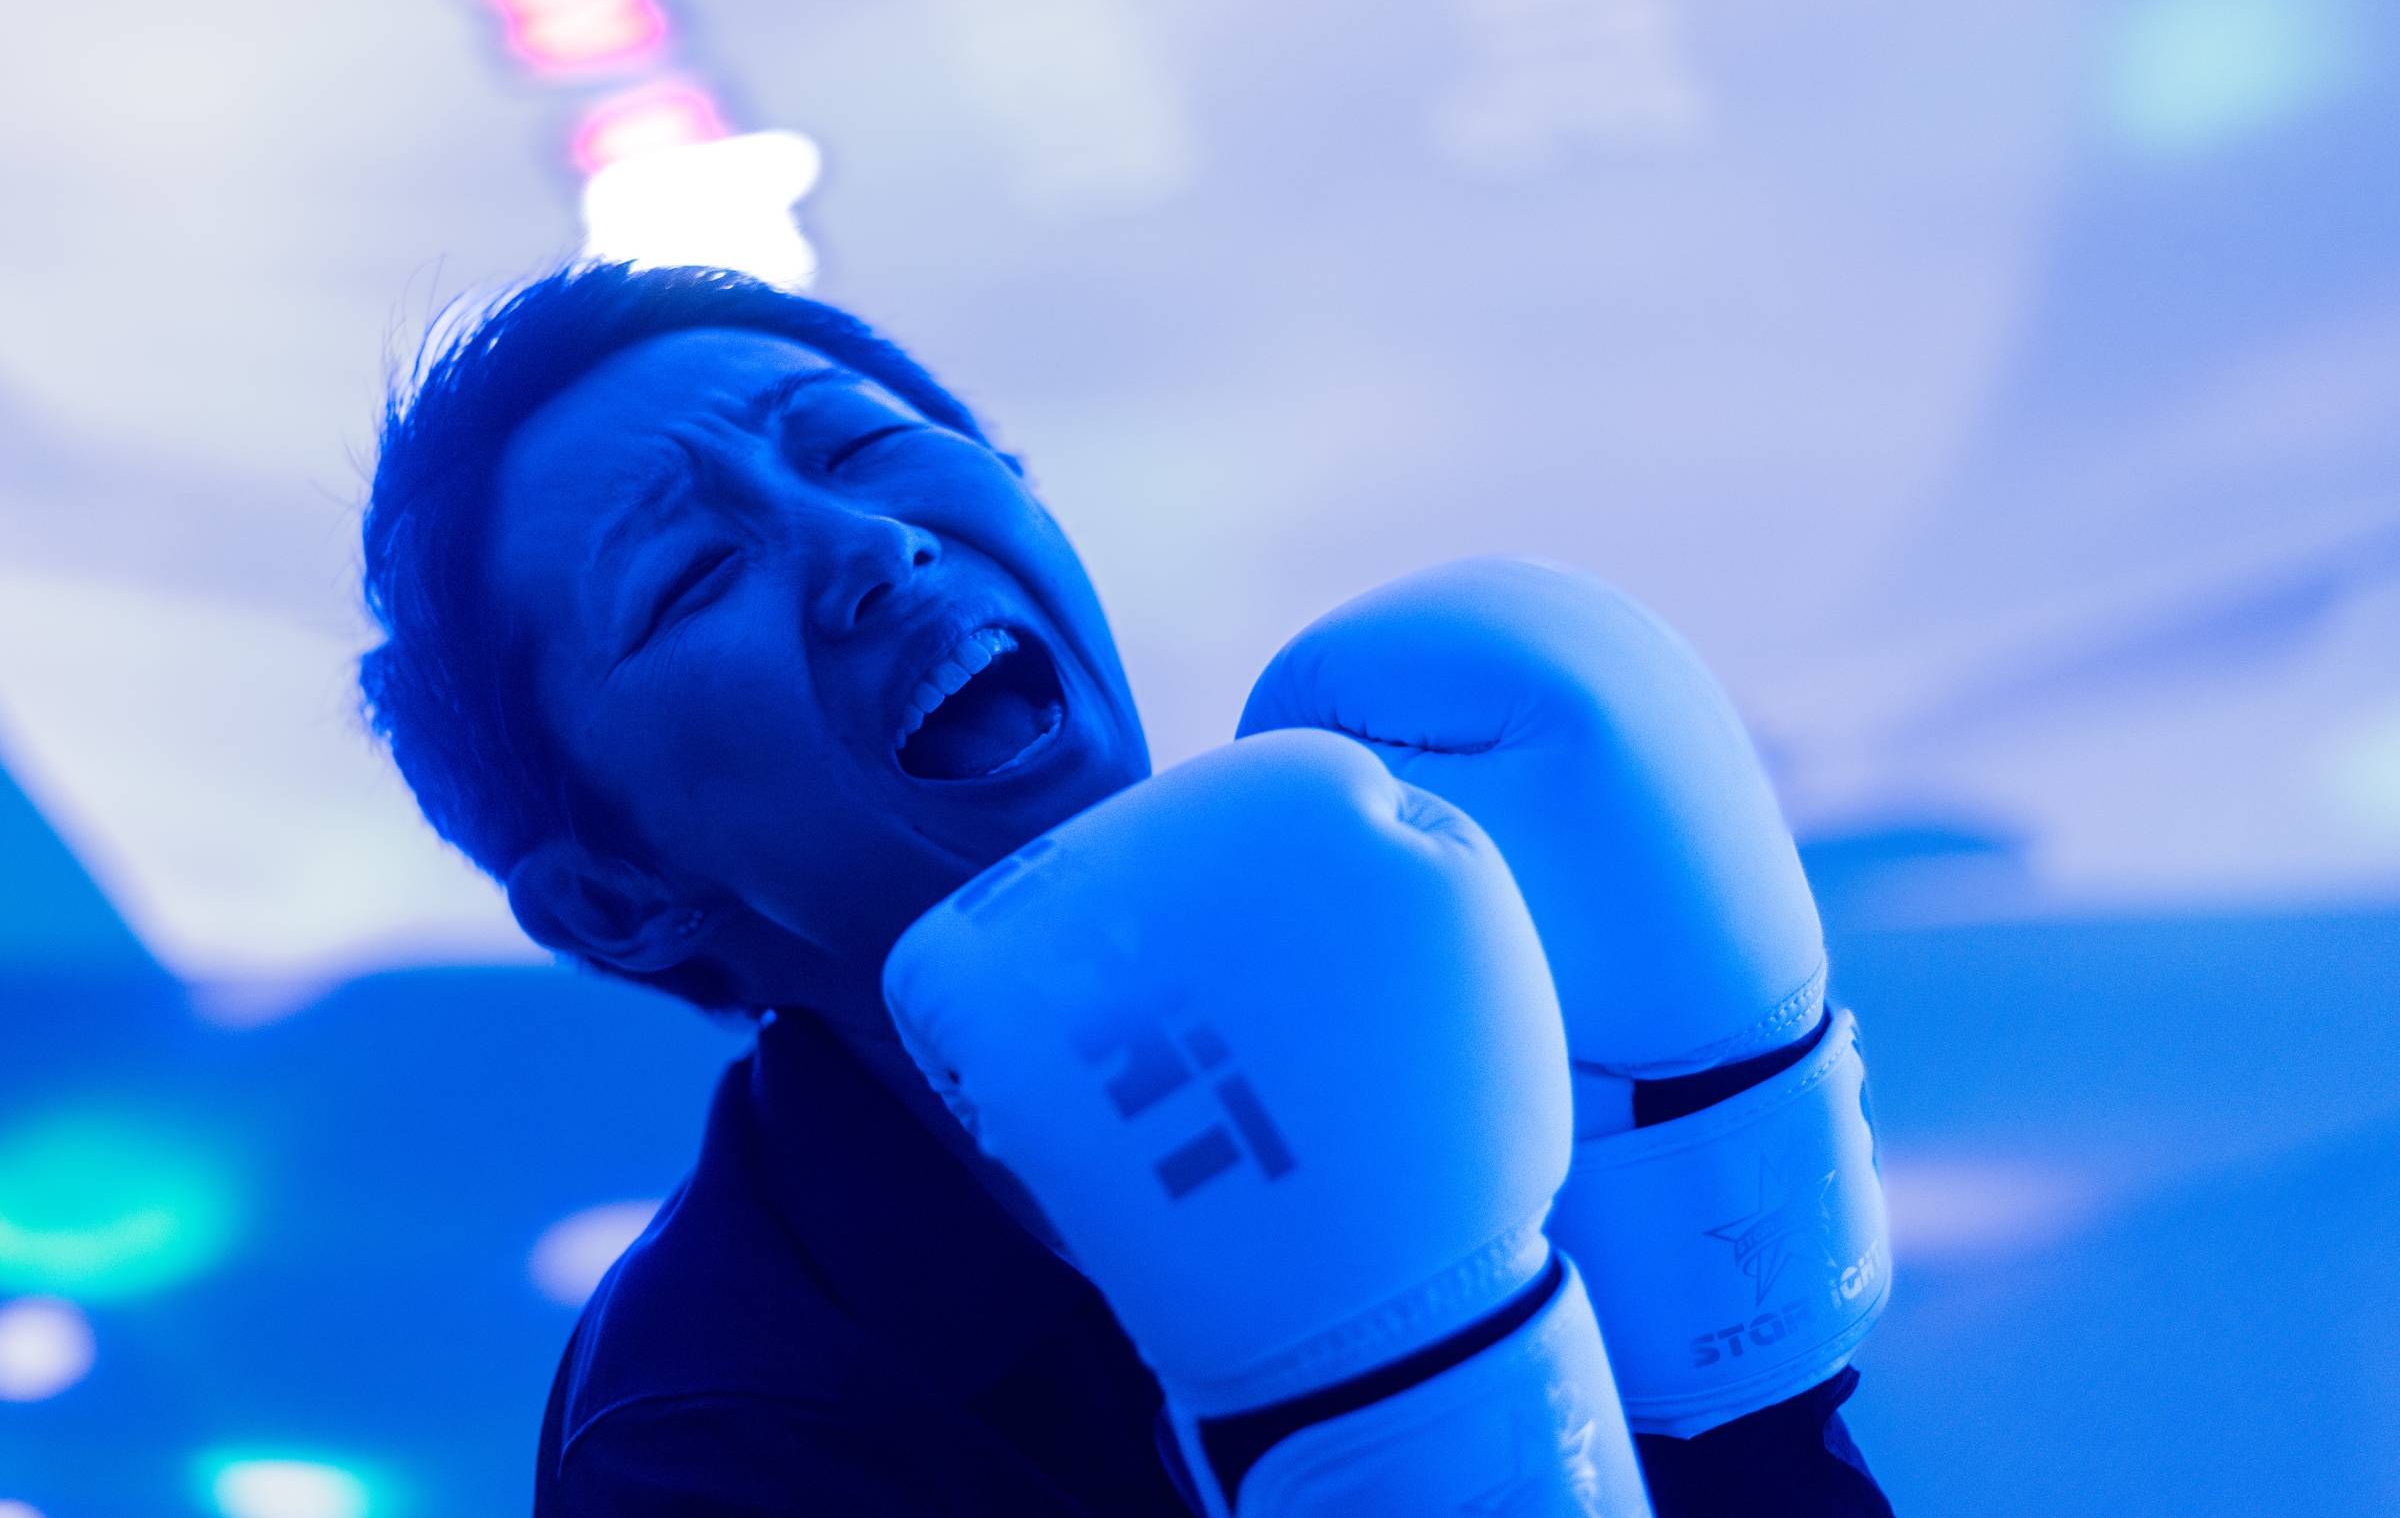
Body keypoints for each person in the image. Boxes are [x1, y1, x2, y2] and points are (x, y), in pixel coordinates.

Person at [356, 263, 1895, 1515]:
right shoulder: (712, 1439)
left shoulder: (1461, 981)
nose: (874, 548)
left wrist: (1747, 1278)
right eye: (690, 574)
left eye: (857, 445)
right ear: (619, 896)